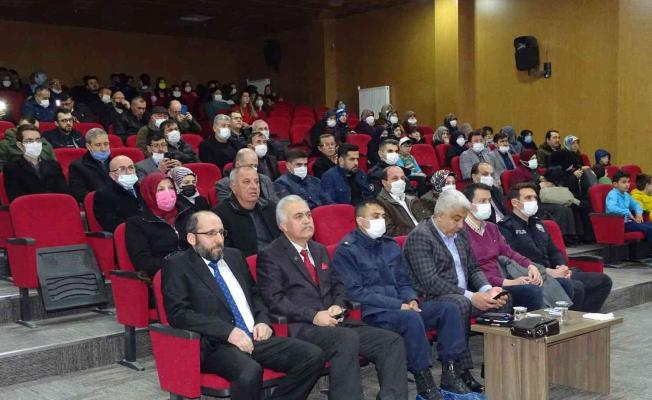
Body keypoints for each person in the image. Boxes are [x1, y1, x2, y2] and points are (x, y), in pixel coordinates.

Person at [257, 195, 409, 400]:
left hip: (336, 322)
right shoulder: (270, 255)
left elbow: (338, 285)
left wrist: (338, 305)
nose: (307, 220)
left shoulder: (318, 249)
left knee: (390, 341)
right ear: (283, 225)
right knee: (345, 339)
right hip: (303, 328)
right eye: (299, 216)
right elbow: (275, 300)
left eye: (308, 215)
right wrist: (313, 316)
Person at [161, 211, 325, 400]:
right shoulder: (177, 265)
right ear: (192, 238)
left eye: (221, 232)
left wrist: (263, 321)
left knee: (312, 356)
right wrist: (228, 332)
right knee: (249, 371)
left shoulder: (234, 256)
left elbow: (255, 295)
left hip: (254, 337)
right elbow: (178, 313)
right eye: (211, 233)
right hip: (217, 345)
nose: (218, 240)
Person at [332, 199, 475, 399]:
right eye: (375, 216)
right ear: (361, 221)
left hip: (404, 307)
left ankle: (450, 372)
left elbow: (404, 281)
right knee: (410, 319)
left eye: (383, 216)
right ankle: (424, 380)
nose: (381, 220)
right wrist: (398, 305)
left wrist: (411, 299)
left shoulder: (389, 245)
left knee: (449, 308)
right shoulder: (347, 250)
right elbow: (356, 292)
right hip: (374, 312)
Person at [403, 189, 508, 393]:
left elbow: (473, 268)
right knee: (460, 304)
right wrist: (471, 296)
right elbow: (431, 282)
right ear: (439, 215)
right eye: (456, 219)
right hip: (428, 302)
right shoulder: (420, 237)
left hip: (460, 296)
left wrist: (487, 290)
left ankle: (496, 365)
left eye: (463, 219)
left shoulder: (459, 234)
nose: (461, 225)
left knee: (503, 298)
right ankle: (457, 371)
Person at [499, 183, 613, 312]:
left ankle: (585, 317)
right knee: (576, 287)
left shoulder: (538, 224)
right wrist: (548, 271)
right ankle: (569, 321)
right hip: (534, 275)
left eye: (535, 197)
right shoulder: (505, 227)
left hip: (555, 272)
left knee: (603, 281)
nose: (533, 201)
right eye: (528, 198)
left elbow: (553, 250)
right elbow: (515, 260)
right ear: (515, 202)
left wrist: (562, 267)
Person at [462, 183, 545, 310]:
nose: (487, 205)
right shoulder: (460, 231)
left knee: (560, 284)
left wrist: (530, 265)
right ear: (468, 204)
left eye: (489, 200)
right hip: (481, 285)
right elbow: (472, 270)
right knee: (532, 291)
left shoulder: (491, 227)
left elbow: (509, 252)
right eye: (482, 201)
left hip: (503, 277)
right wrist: (509, 282)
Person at [125, 173, 184, 278]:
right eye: (160, 189)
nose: (168, 192)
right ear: (149, 193)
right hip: (165, 273)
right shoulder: (137, 223)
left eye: (171, 188)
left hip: (195, 269)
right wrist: (177, 263)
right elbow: (144, 262)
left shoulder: (186, 212)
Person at [214, 166, 280, 257]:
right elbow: (227, 252)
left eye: (257, 182)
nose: (254, 186)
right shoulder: (220, 214)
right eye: (246, 182)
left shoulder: (269, 207)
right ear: (233, 187)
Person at [3, 124, 68, 201]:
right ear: (20, 145)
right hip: (28, 206)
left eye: (38, 140)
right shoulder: (12, 168)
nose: (35, 144)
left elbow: (64, 193)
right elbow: (16, 198)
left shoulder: (54, 165)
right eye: (29, 141)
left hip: (54, 205)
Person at [376, 166, 431, 237]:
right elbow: (389, 231)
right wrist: (417, 232)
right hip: (411, 239)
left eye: (402, 178)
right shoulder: (379, 204)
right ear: (384, 183)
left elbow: (426, 218)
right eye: (395, 178)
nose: (400, 182)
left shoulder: (412, 198)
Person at [93, 156, 142, 232]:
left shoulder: (142, 188)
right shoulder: (104, 195)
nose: (128, 172)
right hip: (130, 232)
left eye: (131, 168)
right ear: (112, 175)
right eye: (122, 169)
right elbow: (110, 224)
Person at [606, 171, 652, 245]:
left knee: (650, 224)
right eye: (624, 182)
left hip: (628, 222)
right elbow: (611, 207)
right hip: (619, 224)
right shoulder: (612, 194)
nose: (627, 184)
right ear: (615, 184)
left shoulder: (626, 194)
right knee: (648, 229)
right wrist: (626, 212)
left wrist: (638, 213)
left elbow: (636, 204)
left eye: (628, 182)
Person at [68, 128, 113, 202]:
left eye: (106, 144)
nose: (103, 149)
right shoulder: (77, 166)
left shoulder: (115, 162)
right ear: (88, 146)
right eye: (98, 145)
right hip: (97, 203)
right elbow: (80, 193)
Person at [168, 166, 211, 231]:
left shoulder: (201, 199)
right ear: (175, 183)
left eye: (193, 182)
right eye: (186, 182)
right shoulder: (174, 203)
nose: (191, 185)